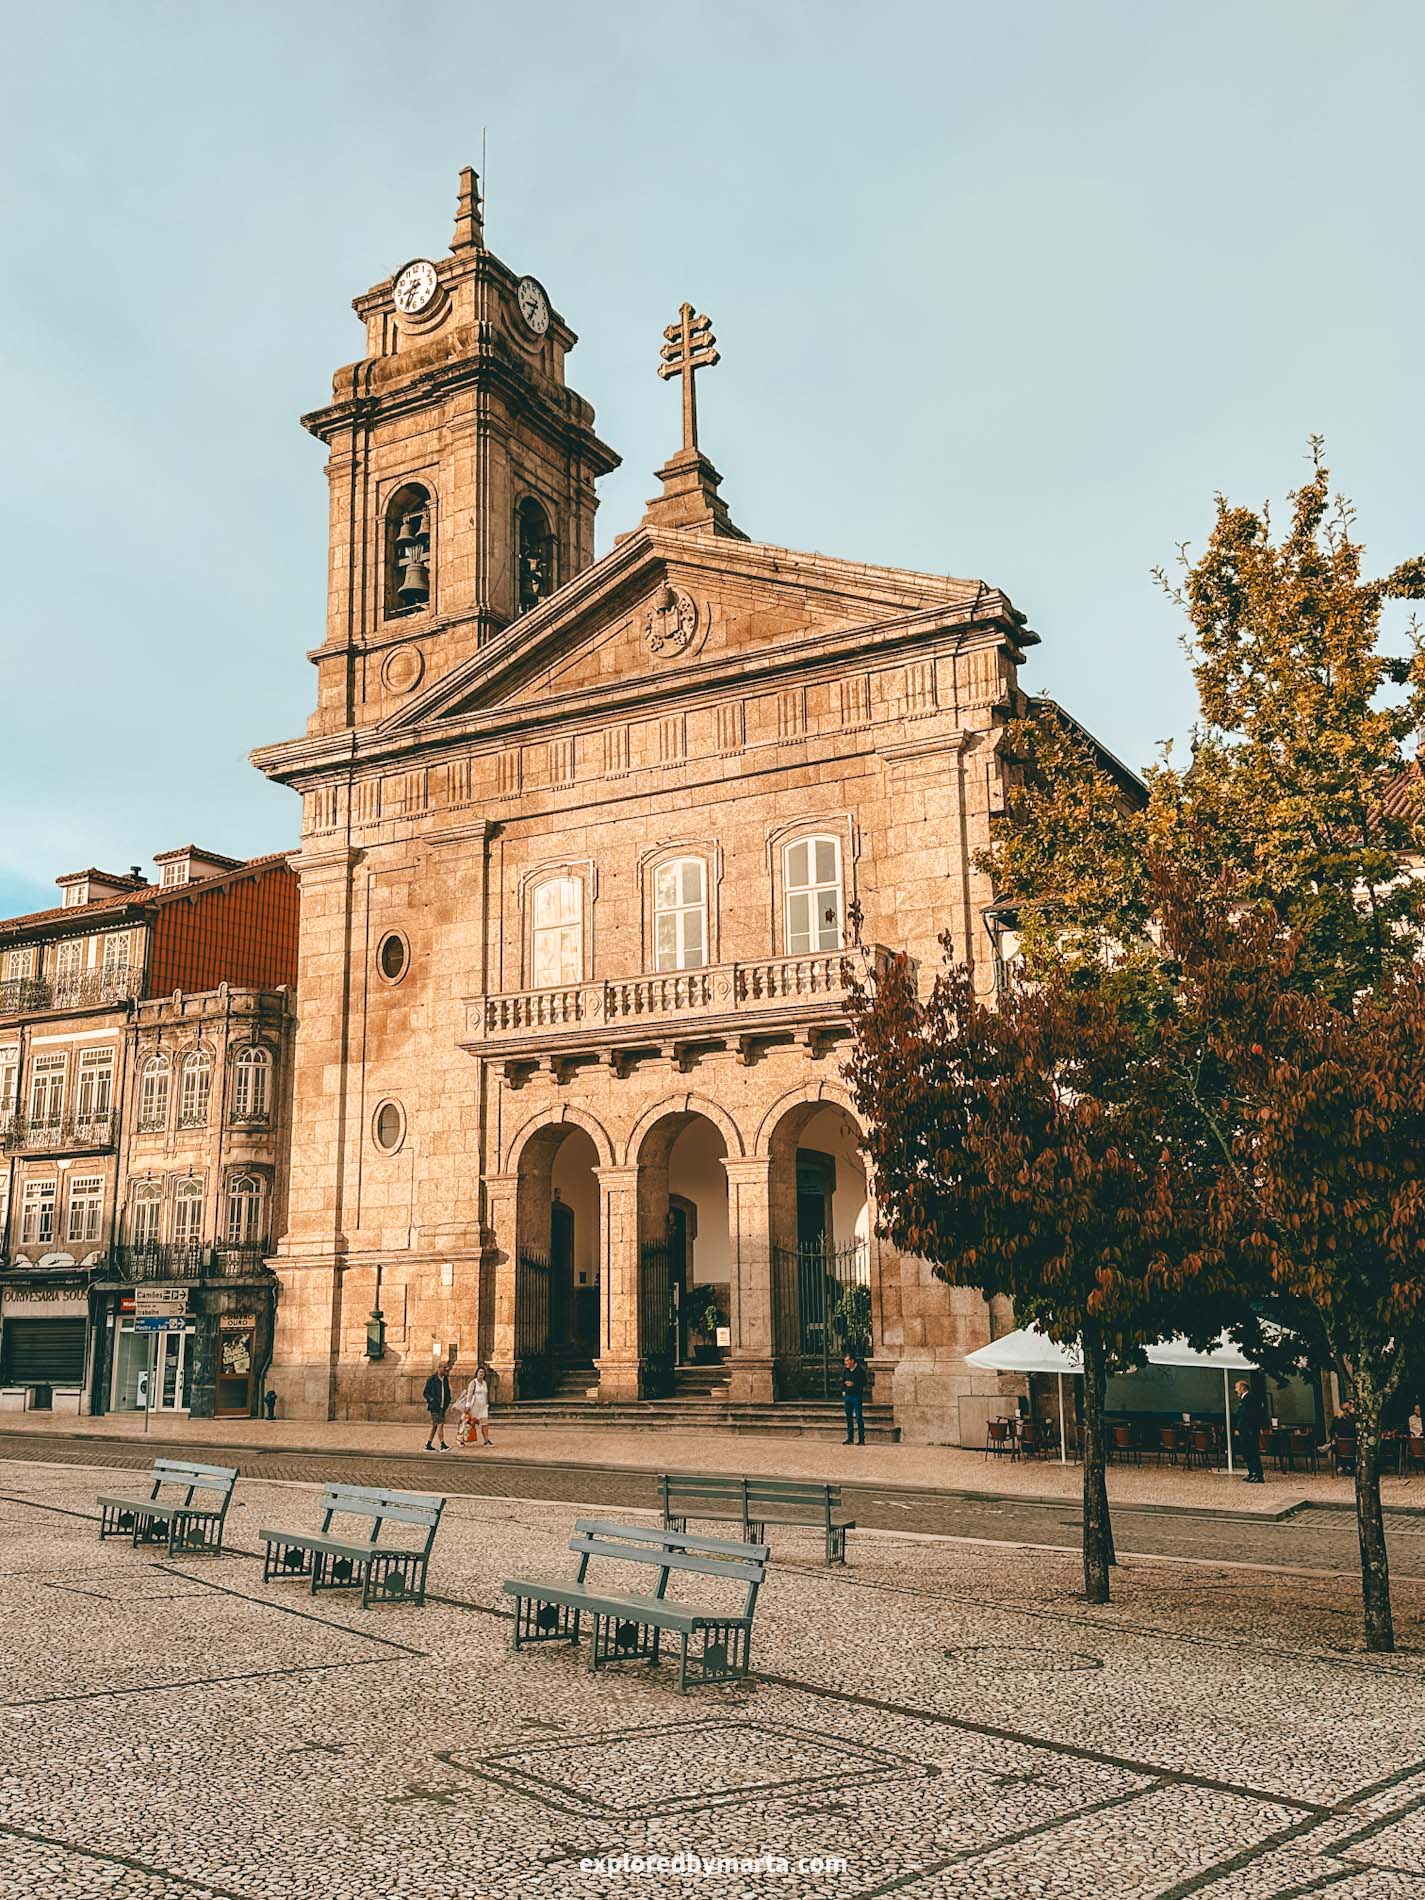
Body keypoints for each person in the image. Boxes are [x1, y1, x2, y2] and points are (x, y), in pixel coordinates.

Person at [1233, 1377, 1267, 1484]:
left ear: (1243, 1388)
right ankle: (1252, 1472)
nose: (1236, 1390)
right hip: (1245, 1430)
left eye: (1237, 1388)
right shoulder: (1244, 1399)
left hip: (1249, 1430)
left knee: (1252, 1452)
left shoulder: (1250, 1399)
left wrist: (1247, 1428)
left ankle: (1258, 1474)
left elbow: (1250, 1415)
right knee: (1247, 1452)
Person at [457, 1366, 492, 1448]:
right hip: (474, 1406)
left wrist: (487, 1404)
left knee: (485, 1423)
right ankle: (460, 1439)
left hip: (483, 1407)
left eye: (483, 1372)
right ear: (476, 1373)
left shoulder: (484, 1383)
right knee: (467, 1423)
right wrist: (467, 1406)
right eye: (480, 1372)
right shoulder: (473, 1383)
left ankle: (486, 1440)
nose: (481, 1374)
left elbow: (486, 1394)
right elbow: (469, 1395)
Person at [423, 1358, 453, 1452]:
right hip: (435, 1406)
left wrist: (447, 1402)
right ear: (439, 1368)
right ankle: (442, 1444)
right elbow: (425, 1392)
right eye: (444, 1368)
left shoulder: (445, 1379)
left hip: (442, 1406)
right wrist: (432, 1400)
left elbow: (447, 1392)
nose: (445, 1370)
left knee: (435, 1425)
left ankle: (428, 1444)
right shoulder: (432, 1379)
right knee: (440, 1424)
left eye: (446, 1368)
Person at [841, 1352, 868, 1446]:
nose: (846, 1363)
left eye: (847, 1360)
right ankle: (850, 1437)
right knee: (848, 1417)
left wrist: (854, 1384)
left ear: (852, 1361)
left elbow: (864, 1382)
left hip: (856, 1395)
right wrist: (843, 1389)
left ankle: (861, 1439)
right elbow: (842, 1380)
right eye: (845, 1361)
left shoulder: (860, 1371)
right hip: (848, 1395)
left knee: (858, 1416)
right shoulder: (846, 1370)